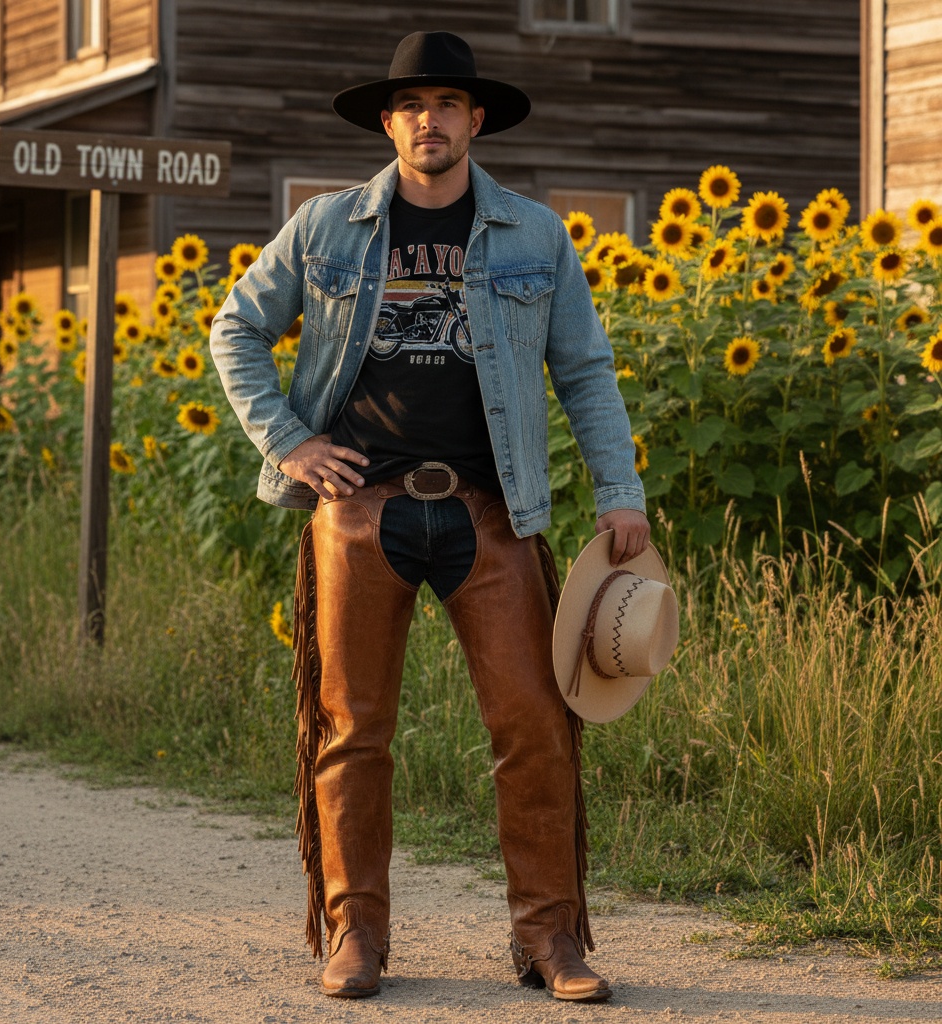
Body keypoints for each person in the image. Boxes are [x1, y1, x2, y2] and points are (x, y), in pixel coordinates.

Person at [210, 30, 649, 1003]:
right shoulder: (327, 227)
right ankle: (353, 933)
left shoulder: (535, 234)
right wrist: (287, 441)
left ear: (475, 118)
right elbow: (235, 323)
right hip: (357, 510)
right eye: (412, 105)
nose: (429, 119)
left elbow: (582, 369)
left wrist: (621, 492)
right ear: (387, 120)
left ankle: (548, 938)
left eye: (447, 103)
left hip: (494, 514)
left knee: (534, 722)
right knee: (349, 729)